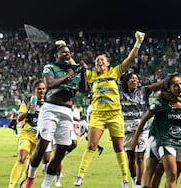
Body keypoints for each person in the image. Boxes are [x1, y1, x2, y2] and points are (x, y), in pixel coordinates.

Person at [74, 31, 145, 188]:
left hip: (115, 116)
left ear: (107, 64)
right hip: (98, 115)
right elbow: (75, 67)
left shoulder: (114, 72)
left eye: (102, 60)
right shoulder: (91, 75)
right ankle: (80, 175)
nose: (99, 62)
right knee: (91, 145)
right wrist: (67, 54)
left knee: (118, 147)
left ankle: (125, 179)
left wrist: (138, 43)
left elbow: (129, 59)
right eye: (97, 61)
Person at [24, 40, 89, 188]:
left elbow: (84, 89)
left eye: (69, 52)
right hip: (50, 109)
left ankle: (45, 186)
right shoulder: (50, 67)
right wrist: (68, 75)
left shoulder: (74, 70)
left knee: (60, 151)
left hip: (66, 111)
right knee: (42, 147)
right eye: (64, 52)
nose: (67, 54)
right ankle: (30, 178)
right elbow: (49, 84)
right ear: (56, 55)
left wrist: (83, 72)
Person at [131, 73, 181, 188]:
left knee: (172, 175)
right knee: (158, 171)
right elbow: (144, 119)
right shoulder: (161, 102)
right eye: (178, 84)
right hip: (161, 139)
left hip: (180, 141)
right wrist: (135, 138)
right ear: (168, 88)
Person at [120, 71, 163, 187]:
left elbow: (157, 85)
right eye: (132, 79)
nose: (135, 80)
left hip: (142, 128)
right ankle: (134, 179)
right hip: (127, 129)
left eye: (137, 78)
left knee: (140, 157)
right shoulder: (120, 94)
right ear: (126, 82)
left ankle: (139, 184)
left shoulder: (143, 91)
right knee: (131, 158)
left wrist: (169, 79)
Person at [8, 79, 46, 188]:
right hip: (27, 134)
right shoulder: (27, 101)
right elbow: (19, 118)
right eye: (39, 89)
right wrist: (28, 111)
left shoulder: (48, 102)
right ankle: (11, 186)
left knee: (31, 164)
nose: (42, 91)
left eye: (43, 89)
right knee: (21, 158)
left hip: (40, 137)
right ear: (34, 90)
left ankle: (23, 181)